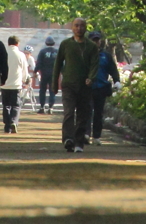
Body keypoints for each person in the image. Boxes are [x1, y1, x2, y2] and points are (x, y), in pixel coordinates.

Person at [52, 18, 100, 153]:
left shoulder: (91, 46)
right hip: (68, 85)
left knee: (82, 115)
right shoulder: (66, 44)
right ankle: (68, 139)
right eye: (76, 26)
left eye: (82, 26)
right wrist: (54, 83)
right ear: (72, 28)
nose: (79, 28)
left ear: (85, 28)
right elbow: (57, 65)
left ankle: (79, 142)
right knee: (68, 112)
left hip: (84, 86)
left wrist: (91, 78)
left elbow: (94, 65)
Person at [88, 31, 121, 145]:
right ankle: (85, 134)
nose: (96, 42)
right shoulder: (84, 54)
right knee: (86, 111)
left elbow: (113, 69)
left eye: (97, 40)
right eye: (94, 40)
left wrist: (117, 81)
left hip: (101, 87)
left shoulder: (106, 55)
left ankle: (96, 136)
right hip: (87, 87)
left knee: (98, 113)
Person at [2, 36, 27, 133]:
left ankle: (7, 125)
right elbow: (24, 69)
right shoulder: (21, 55)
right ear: (17, 44)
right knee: (16, 105)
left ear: (8, 43)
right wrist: (24, 79)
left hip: (4, 84)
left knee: (6, 106)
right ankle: (13, 121)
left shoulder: (3, 54)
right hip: (16, 85)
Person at [35, 36, 58, 114]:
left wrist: (35, 71)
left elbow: (39, 63)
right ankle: (51, 108)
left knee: (42, 91)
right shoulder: (57, 52)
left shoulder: (42, 52)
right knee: (52, 91)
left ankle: (42, 107)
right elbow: (61, 63)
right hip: (54, 74)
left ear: (46, 43)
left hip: (44, 74)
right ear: (54, 43)